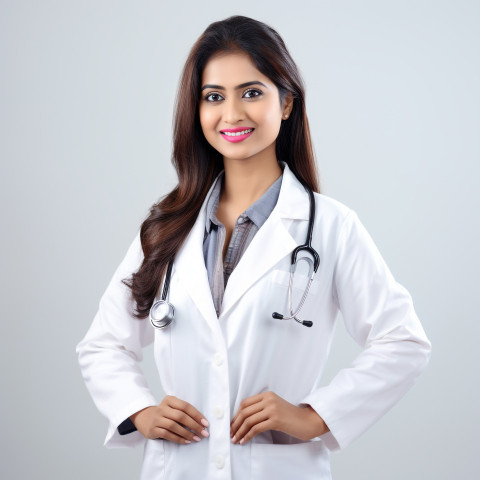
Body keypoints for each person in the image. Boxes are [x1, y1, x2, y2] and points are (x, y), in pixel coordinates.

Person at [76, 15, 431, 480]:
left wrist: (314, 415)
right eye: (213, 97)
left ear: (286, 103)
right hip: (179, 467)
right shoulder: (166, 228)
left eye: (251, 92)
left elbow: (403, 342)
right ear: (196, 108)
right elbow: (103, 345)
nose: (231, 114)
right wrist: (139, 410)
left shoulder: (330, 227)